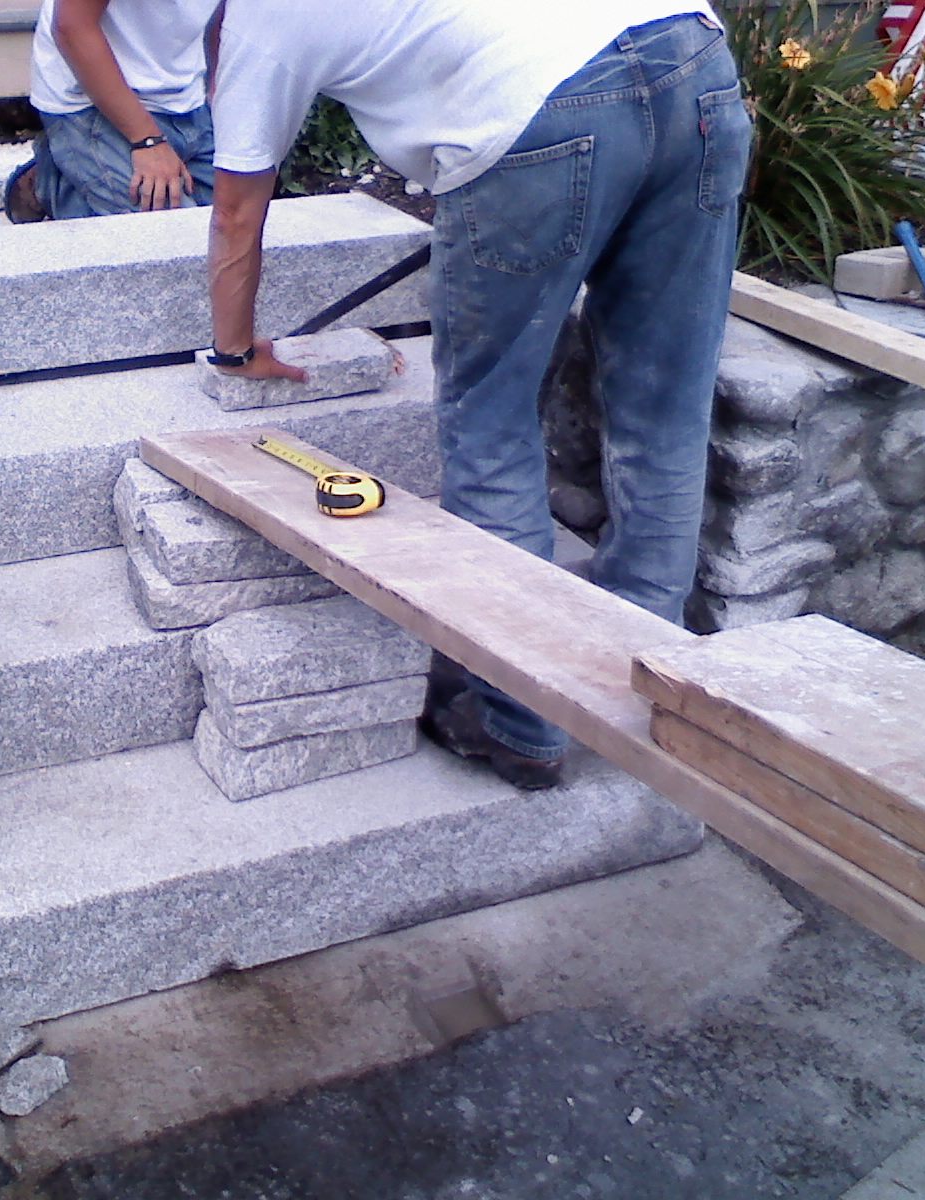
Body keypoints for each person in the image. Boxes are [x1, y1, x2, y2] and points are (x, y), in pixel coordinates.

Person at [202, 2, 752, 789]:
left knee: (489, 419)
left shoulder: (258, 21)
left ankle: (520, 721)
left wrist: (233, 349)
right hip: (688, 55)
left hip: (540, 113)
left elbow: (234, 209)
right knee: (664, 408)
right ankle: (646, 691)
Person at [6, 0, 220, 222]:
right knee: (165, 233)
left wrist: (218, 94)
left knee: (239, 221)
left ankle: (75, 166)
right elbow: (72, 27)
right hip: (91, 100)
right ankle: (57, 178)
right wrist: (147, 140)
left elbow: (225, 17)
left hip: (183, 96)